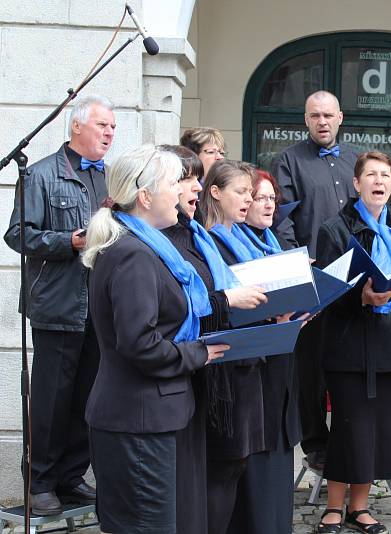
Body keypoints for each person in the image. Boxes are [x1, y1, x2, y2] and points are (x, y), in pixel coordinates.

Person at [81, 145, 228, 533]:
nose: (178, 193)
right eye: (171, 183)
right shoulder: (133, 254)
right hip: (137, 418)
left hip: (147, 415)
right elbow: (139, 344)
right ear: (145, 197)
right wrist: (199, 353)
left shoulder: (143, 247)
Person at [4, 94, 115, 516]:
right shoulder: (41, 175)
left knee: (88, 395)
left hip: (99, 305)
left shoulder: (110, 178)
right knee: (51, 400)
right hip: (58, 304)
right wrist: (69, 241)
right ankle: (40, 482)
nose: (109, 133)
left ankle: (71, 475)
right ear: (76, 127)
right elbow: (18, 235)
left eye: (112, 128)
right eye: (102, 125)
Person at [314, 151, 391, 534]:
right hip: (348, 342)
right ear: (357, 183)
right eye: (371, 175)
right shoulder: (335, 229)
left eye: (385, 175)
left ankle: (360, 508)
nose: (378, 181)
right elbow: (326, 292)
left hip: (387, 343)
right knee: (349, 425)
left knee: (378, 428)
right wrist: (360, 298)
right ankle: (334, 506)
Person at [159, 145, 266, 534]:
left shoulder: (198, 235)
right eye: (185, 180)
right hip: (210, 367)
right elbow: (186, 302)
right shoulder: (176, 240)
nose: (195, 187)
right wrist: (229, 300)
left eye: (195, 178)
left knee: (232, 466)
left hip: (237, 361)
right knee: (217, 468)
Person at [275, 90, 358, 470]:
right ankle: (315, 443)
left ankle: (355, 434)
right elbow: (280, 216)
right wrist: (296, 259)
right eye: (314, 116)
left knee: (350, 358)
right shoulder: (289, 161)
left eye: (327, 115)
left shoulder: (357, 161)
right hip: (312, 277)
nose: (322, 121)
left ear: (340, 117)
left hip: (355, 277)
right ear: (305, 120)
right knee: (310, 367)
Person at [227, 168, 302, 534]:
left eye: (273, 198)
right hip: (253, 367)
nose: (269, 204)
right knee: (257, 460)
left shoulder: (272, 242)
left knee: (278, 456)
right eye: (260, 197)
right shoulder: (229, 242)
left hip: (280, 362)